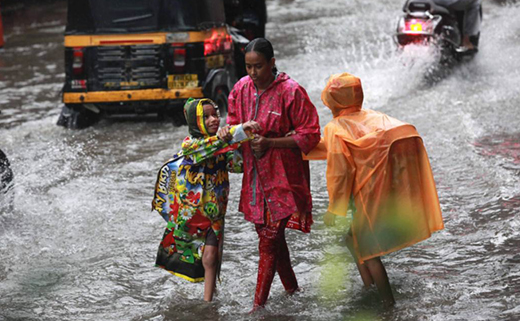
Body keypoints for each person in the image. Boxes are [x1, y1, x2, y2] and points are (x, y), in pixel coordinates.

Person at [305, 73, 444, 306]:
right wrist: (296, 148)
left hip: (364, 193)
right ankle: (369, 288)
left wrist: (335, 209)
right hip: (377, 186)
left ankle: (387, 305)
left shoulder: (335, 127)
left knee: (369, 252)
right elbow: (340, 149)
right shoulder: (372, 117)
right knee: (353, 239)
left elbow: (340, 171)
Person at [221, 37, 321, 311]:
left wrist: (271, 142)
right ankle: (292, 290)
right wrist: (232, 131)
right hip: (254, 178)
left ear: (272, 63)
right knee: (272, 239)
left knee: (268, 241)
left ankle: (257, 308)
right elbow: (231, 124)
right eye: (248, 67)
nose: (253, 73)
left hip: (283, 177)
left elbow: (311, 134)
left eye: (259, 67)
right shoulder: (240, 88)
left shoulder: (291, 91)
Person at [151, 98, 260, 302]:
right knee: (191, 254)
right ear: (195, 122)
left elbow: (237, 166)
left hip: (215, 212)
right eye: (206, 116)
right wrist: (237, 133)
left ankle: (208, 303)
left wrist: (246, 144)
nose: (213, 120)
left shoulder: (222, 143)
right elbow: (209, 147)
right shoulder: (191, 145)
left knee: (210, 257)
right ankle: (210, 295)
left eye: (215, 115)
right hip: (191, 214)